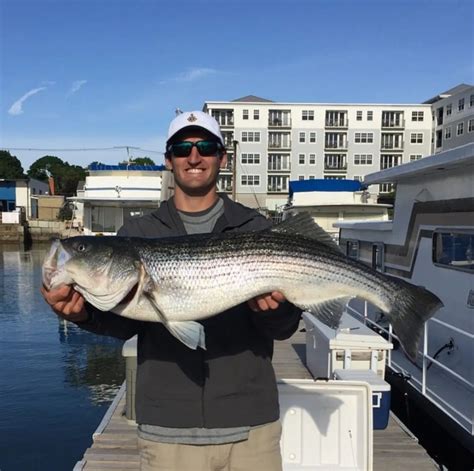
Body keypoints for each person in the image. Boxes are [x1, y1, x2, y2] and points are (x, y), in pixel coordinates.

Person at [41, 111, 302, 471]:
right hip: (167, 428)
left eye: (205, 147)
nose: (194, 157)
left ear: (222, 158)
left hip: (251, 425)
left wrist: (274, 311)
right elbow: (127, 324)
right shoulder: (140, 233)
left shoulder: (255, 229)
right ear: (169, 160)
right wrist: (82, 314)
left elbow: (285, 327)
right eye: (182, 148)